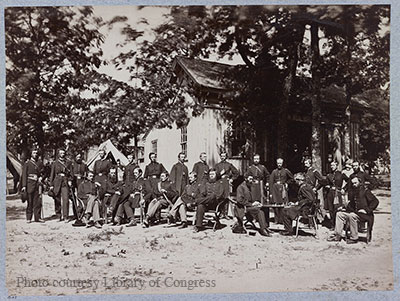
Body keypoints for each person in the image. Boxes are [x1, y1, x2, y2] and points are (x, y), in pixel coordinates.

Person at [328, 177, 379, 244]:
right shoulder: (353, 191)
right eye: (352, 183)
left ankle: (354, 238)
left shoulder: (365, 191)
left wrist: (367, 210)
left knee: (352, 216)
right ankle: (337, 235)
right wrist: (344, 208)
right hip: (355, 213)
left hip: (365, 215)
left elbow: (375, 201)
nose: (354, 185)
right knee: (339, 214)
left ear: (360, 183)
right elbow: (351, 205)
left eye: (355, 183)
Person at [21, 147, 44, 223]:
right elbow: (24, 175)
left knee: (38, 202)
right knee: (30, 202)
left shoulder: (39, 163)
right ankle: (29, 217)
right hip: (29, 184)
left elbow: (43, 172)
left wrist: (41, 177)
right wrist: (24, 186)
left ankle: (38, 217)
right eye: (34, 153)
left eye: (36, 153)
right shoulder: (27, 163)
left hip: (37, 184)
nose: (35, 154)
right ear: (31, 154)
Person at [49, 148, 72, 222]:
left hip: (65, 181)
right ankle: (58, 215)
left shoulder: (68, 162)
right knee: (57, 199)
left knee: (66, 199)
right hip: (57, 182)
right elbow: (52, 174)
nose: (62, 154)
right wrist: (51, 184)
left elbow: (71, 173)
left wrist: (70, 180)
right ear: (58, 154)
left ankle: (66, 216)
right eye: (61, 153)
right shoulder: (55, 163)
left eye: (63, 153)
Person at [215, 151, 239, 217]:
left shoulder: (229, 165)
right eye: (221, 156)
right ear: (220, 157)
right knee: (220, 197)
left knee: (227, 197)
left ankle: (226, 213)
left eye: (224, 156)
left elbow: (236, 172)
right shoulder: (217, 165)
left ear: (226, 157)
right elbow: (214, 174)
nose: (223, 157)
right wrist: (220, 174)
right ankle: (220, 212)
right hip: (219, 182)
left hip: (227, 182)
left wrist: (232, 179)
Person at [269, 158, 293, 224]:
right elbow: (271, 182)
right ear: (276, 164)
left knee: (283, 205)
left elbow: (292, 179)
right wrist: (271, 193)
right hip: (275, 190)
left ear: (282, 163)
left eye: (280, 163)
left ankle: (283, 220)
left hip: (283, 189)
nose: (279, 165)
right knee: (276, 205)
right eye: (278, 163)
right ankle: (276, 219)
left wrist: (287, 183)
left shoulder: (286, 171)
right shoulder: (274, 172)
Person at [325, 161, 348, 229]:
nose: (332, 167)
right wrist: (327, 186)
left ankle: (339, 225)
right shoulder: (329, 175)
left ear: (337, 166)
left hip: (337, 193)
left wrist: (344, 188)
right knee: (331, 209)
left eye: (333, 165)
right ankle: (333, 225)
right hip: (330, 193)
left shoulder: (341, 174)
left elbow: (349, 181)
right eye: (331, 165)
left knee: (337, 209)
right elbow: (325, 183)